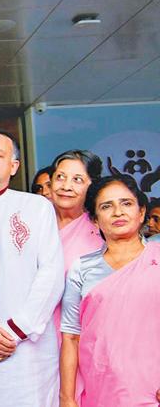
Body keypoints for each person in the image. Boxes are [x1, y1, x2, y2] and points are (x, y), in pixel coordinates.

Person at [0, 127, 64, 407]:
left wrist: (13, 330)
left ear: (14, 166)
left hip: (28, 348)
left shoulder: (37, 207)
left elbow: (51, 274)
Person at [59, 174, 160, 407]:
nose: (118, 212)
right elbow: (71, 337)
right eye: (107, 206)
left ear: (141, 212)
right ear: (94, 220)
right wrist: (67, 398)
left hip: (151, 390)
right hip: (101, 389)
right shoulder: (82, 269)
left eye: (126, 203)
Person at [50, 150, 104, 272]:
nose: (66, 187)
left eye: (77, 180)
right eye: (60, 177)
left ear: (92, 185)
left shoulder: (101, 229)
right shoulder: (34, 220)